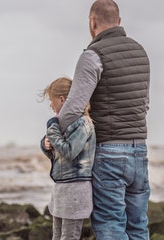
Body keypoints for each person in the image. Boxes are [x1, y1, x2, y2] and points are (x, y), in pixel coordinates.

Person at [57, 0, 151, 239]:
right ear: (119, 21)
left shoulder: (93, 55)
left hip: (109, 153)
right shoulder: (140, 51)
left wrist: (56, 136)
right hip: (139, 150)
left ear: (92, 22)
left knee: (110, 224)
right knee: (139, 226)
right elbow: (145, 105)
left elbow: (72, 110)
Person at [40, 77, 96, 240]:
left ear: (62, 99)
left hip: (76, 190)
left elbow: (70, 152)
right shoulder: (62, 123)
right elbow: (58, 154)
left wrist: (52, 129)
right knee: (57, 236)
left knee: (69, 236)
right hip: (61, 189)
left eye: (51, 100)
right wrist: (46, 145)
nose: (50, 104)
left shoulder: (83, 123)